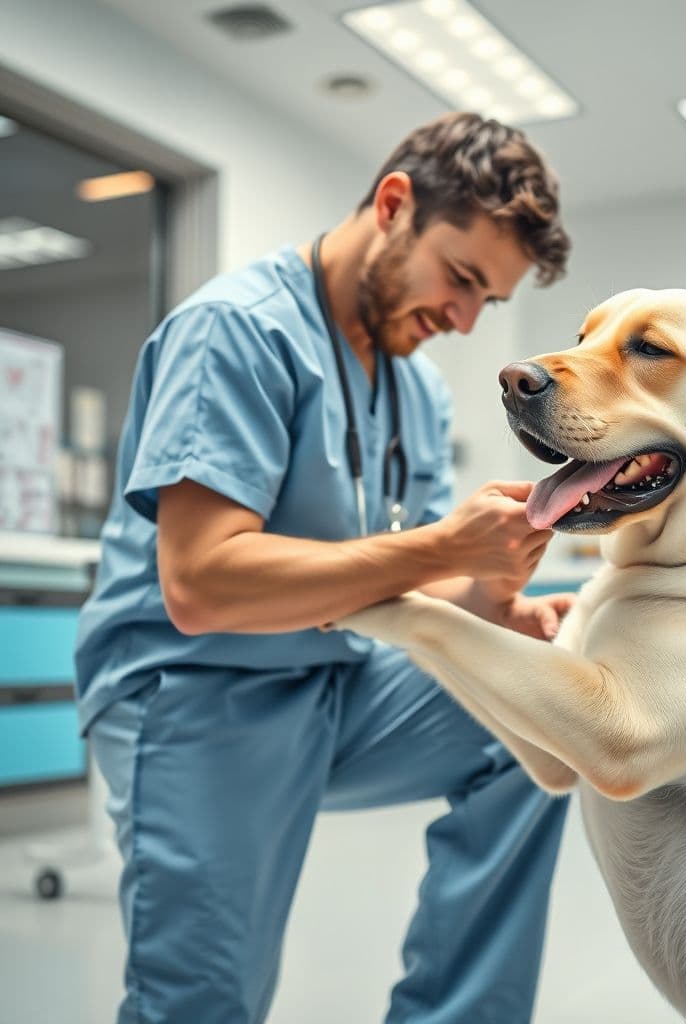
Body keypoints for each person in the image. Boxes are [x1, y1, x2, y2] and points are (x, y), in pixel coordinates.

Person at [74, 111, 574, 1024]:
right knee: (206, 1001)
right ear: (393, 206)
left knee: (537, 719)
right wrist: (443, 548)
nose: (464, 321)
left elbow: (412, 583)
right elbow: (200, 585)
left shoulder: (412, 383)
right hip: (191, 692)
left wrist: (496, 606)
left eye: (486, 302)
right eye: (461, 279)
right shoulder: (238, 332)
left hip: (332, 679)